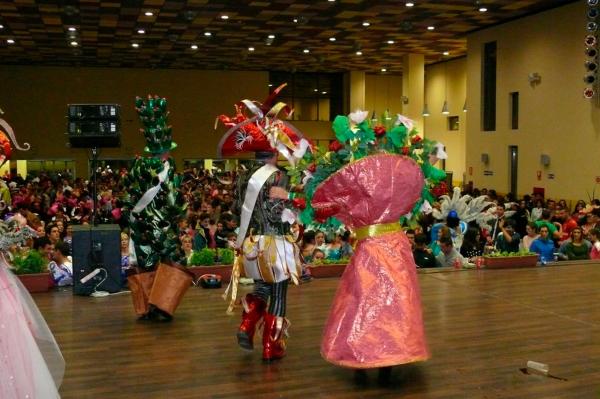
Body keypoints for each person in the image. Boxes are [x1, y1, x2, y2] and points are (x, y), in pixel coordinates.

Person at [217, 87, 307, 362]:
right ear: (274, 149)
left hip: (252, 245)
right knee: (278, 291)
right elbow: (281, 211)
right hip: (275, 245)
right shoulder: (278, 177)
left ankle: (247, 324)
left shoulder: (243, 177)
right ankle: (272, 345)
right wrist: (298, 199)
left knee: (260, 288)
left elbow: (235, 210)